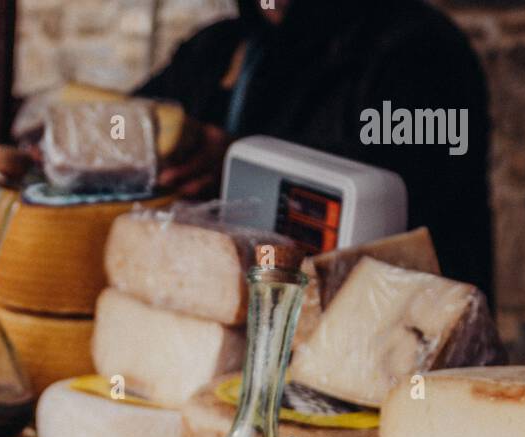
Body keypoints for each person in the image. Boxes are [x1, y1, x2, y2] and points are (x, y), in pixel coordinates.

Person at [139, 0, 493, 298]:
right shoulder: (219, 47)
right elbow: (115, 128)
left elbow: (392, 205)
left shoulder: (422, 50)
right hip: (238, 329)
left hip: (388, 343)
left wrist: (239, 171)